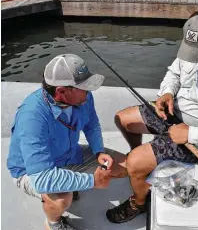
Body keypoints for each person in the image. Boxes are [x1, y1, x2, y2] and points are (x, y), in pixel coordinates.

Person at [106, 10, 198, 223]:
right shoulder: (196, 46)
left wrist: (191, 134)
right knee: (122, 120)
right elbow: (175, 72)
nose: (196, 59)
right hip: (171, 112)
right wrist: (167, 92)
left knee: (134, 163)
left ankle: (138, 203)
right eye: (191, 52)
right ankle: (142, 166)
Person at [7, 54, 127, 230]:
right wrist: (93, 181)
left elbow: (91, 124)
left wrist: (99, 151)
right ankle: (54, 223)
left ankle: (71, 181)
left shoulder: (84, 98)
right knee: (62, 199)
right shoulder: (31, 116)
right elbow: (41, 179)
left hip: (69, 154)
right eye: (84, 87)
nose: (89, 91)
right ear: (62, 91)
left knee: (123, 166)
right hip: (31, 171)